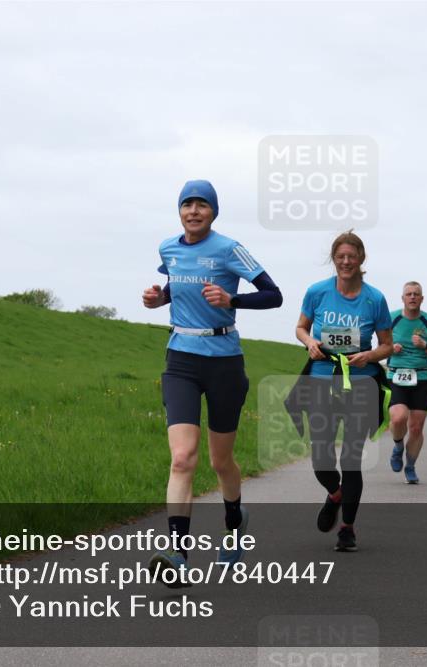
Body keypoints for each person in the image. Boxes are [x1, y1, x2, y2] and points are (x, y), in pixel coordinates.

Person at [143, 180, 282, 583]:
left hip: (224, 360)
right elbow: (177, 286)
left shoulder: (228, 249)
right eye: (187, 204)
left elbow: (273, 295)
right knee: (183, 457)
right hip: (181, 359)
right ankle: (178, 555)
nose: (193, 211)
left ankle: (235, 524)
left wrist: (232, 300)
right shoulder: (168, 248)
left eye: (202, 205)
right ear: (180, 211)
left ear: (213, 212)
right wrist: (159, 299)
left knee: (221, 461)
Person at [295, 231, 393, 552]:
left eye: (352, 256)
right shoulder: (317, 292)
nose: (346, 261)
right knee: (321, 457)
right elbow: (301, 327)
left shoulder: (374, 299)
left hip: (360, 383)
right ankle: (335, 493)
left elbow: (387, 346)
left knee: (351, 458)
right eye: (341, 256)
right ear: (334, 259)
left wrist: (368, 355)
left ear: (361, 259)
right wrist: (310, 342)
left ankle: (347, 528)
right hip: (323, 380)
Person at [386, 281, 427, 484]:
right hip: (396, 375)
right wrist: (392, 347)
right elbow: (381, 346)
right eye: (408, 294)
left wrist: (425, 345)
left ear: (421, 298)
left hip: (422, 377)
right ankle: (398, 445)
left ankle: (410, 466)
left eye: (416, 294)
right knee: (399, 418)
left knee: (416, 428)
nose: (412, 297)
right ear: (403, 298)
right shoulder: (391, 318)